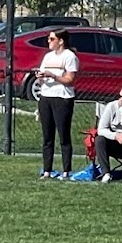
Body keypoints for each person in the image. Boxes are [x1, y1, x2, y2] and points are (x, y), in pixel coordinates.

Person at [36, 28, 79, 179]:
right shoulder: (47, 57)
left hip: (62, 99)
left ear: (61, 41)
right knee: (47, 136)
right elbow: (42, 75)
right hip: (46, 97)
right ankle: (47, 170)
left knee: (63, 135)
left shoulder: (69, 56)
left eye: (52, 39)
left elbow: (70, 80)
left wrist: (53, 76)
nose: (49, 41)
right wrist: (40, 77)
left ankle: (66, 170)